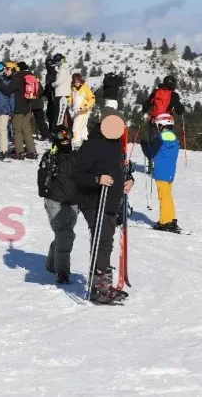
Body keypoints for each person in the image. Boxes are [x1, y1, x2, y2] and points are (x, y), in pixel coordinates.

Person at [73, 109, 133, 304]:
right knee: (102, 239)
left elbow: (120, 168)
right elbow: (77, 174)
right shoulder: (92, 145)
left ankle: (103, 285)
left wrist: (129, 180)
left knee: (106, 241)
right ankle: (99, 289)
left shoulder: (115, 144)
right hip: (93, 201)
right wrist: (97, 179)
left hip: (111, 201)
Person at [38, 126, 79, 284]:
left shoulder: (77, 156)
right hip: (55, 199)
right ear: (55, 139)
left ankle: (51, 263)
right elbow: (42, 179)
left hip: (74, 200)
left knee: (66, 233)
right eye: (62, 136)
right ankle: (62, 270)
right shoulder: (50, 157)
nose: (66, 139)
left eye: (68, 135)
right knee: (64, 234)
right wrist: (46, 194)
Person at [142, 114, 182, 233]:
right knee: (168, 195)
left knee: (163, 196)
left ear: (162, 125)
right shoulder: (174, 138)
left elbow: (150, 153)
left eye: (158, 125)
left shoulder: (160, 138)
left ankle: (165, 222)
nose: (157, 127)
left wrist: (144, 145)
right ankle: (170, 218)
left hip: (161, 173)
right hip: (170, 172)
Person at [0, 62, 38, 160]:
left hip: (18, 109)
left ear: (13, 69)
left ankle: (19, 152)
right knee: (27, 131)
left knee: (17, 131)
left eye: (7, 69)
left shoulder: (16, 79)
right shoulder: (25, 77)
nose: (5, 71)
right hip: (27, 108)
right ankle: (32, 151)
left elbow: (7, 90)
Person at [68, 73, 96, 149]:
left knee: (76, 128)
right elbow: (71, 99)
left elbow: (92, 98)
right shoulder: (73, 89)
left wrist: (86, 107)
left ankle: (76, 146)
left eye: (78, 81)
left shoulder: (84, 88)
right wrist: (68, 102)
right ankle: (87, 145)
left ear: (80, 81)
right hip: (76, 112)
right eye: (75, 81)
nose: (76, 83)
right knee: (83, 130)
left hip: (83, 112)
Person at [51, 54, 72, 132]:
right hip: (64, 94)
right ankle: (70, 130)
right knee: (65, 114)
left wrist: (52, 84)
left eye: (57, 61)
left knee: (58, 115)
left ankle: (56, 132)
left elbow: (58, 81)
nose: (56, 63)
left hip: (60, 95)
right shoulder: (65, 69)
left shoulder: (63, 69)